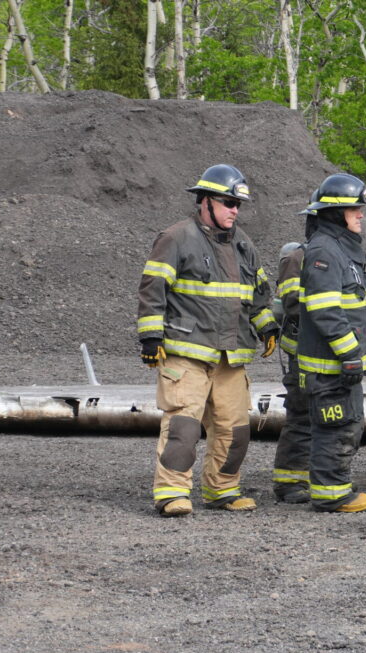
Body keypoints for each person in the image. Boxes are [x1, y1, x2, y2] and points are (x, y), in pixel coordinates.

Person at [138, 164, 279, 517]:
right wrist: (151, 336)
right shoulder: (176, 238)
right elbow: (153, 289)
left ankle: (222, 490)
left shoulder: (244, 244)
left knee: (236, 430)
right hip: (187, 352)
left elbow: (258, 293)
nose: (234, 210)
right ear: (205, 201)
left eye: (238, 204)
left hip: (231, 355)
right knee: (184, 427)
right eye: (228, 202)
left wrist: (267, 327)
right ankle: (171, 492)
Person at [296, 173, 366, 513]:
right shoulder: (324, 251)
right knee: (334, 424)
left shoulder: (341, 247)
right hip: (330, 364)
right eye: (354, 208)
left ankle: (335, 482)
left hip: (340, 362)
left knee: (347, 422)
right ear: (334, 213)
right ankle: (330, 493)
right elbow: (325, 311)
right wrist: (351, 354)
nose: (360, 214)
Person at [270, 189, 321, 504]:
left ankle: (318, 475)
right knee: (301, 415)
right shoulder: (295, 258)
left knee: (327, 417)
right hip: (301, 350)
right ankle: (288, 482)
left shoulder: (337, 256)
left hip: (328, 350)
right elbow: (292, 304)